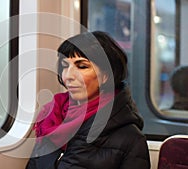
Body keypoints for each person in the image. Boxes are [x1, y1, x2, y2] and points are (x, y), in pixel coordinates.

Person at [25, 31, 150, 169]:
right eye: (65, 66)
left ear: (105, 76)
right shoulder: (51, 119)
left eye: (82, 66)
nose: (68, 76)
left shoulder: (130, 139)